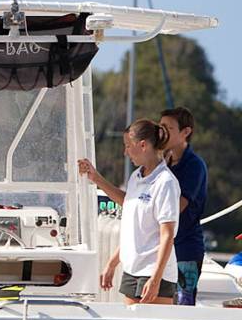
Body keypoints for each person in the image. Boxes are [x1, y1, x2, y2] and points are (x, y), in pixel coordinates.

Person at [79, 108, 208, 305]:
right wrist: (112, 264)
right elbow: (135, 222)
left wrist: (155, 279)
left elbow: (167, 233)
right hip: (133, 270)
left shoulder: (166, 181)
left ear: (143, 145)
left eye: (128, 146)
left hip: (159, 270)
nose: (125, 152)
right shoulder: (136, 177)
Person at [158, 107, 208, 305]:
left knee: (182, 307)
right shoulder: (163, 163)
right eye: (161, 127)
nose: (163, 132)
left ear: (185, 132)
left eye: (168, 128)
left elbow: (177, 207)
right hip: (163, 248)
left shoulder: (194, 165)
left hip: (185, 250)